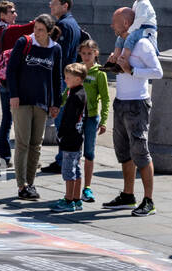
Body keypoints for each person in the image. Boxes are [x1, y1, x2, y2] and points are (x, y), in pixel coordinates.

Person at [102, 5, 160, 216]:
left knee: (141, 152)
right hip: (121, 101)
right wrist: (114, 65)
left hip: (137, 104)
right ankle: (128, 195)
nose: (111, 25)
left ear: (126, 23)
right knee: (124, 151)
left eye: (114, 22)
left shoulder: (143, 44)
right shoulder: (124, 43)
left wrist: (132, 69)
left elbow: (158, 72)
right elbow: (123, 70)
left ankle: (149, 200)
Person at [5, 13, 62, 200]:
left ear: (49, 31)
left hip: (42, 101)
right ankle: (21, 185)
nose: (36, 33)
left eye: (41, 30)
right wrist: (13, 94)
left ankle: (31, 183)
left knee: (36, 144)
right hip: (21, 100)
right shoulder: (25, 43)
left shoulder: (55, 49)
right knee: (22, 142)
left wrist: (56, 103)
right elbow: (11, 70)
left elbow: (56, 77)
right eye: (35, 28)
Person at [0, 1, 31, 170]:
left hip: (2, 80)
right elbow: (32, 26)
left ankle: (4, 156)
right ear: (2, 15)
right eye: (11, 12)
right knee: (21, 119)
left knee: (7, 119)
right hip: (17, 81)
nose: (15, 14)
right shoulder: (12, 31)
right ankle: (25, 156)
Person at [40, 0, 79, 175]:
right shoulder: (71, 23)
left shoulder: (63, 25)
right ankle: (62, 159)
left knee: (61, 121)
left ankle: (62, 160)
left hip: (62, 78)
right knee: (63, 121)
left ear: (65, 5)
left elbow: (59, 55)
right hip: (67, 77)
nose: (50, 6)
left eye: (54, 3)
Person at [76, 38, 109, 203]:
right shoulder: (77, 70)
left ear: (96, 54)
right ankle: (74, 187)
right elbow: (68, 90)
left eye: (90, 53)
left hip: (91, 116)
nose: (87, 57)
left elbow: (105, 98)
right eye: (84, 53)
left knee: (89, 152)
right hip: (76, 116)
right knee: (74, 151)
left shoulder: (99, 73)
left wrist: (103, 120)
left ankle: (87, 188)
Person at [52, 62, 87, 211]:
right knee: (76, 168)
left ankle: (68, 199)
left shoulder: (75, 97)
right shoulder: (80, 93)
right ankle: (76, 198)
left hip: (70, 138)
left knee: (68, 170)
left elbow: (70, 119)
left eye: (68, 78)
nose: (65, 80)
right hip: (77, 138)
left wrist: (61, 134)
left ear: (78, 79)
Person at [110, 0, 156, 72]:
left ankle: (122, 61)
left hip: (146, 28)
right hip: (137, 27)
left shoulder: (144, 3)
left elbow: (140, 20)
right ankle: (113, 61)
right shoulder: (136, 3)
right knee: (120, 38)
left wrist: (128, 32)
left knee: (130, 38)